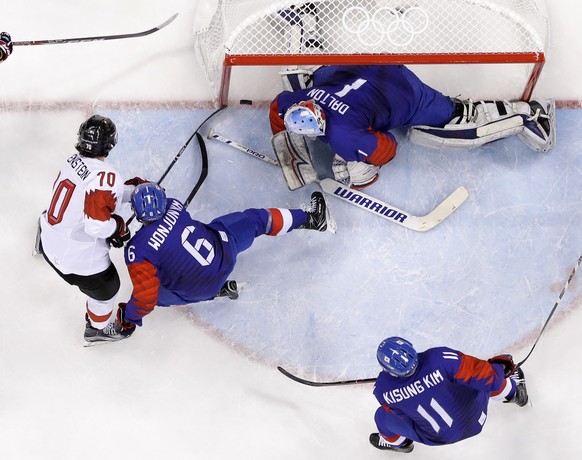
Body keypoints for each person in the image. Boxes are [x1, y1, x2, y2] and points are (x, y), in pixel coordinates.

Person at [269, 64, 555, 190]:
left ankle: (529, 115)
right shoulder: (299, 99)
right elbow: (276, 107)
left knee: (458, 119)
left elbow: (387, 150)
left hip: (405, 92)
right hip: (365, 67)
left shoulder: (341, 134)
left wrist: (357, 162)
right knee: (320, 74)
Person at [115, 182, 331, 332]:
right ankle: (312, 219)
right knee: (257, 220)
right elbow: (157, 190)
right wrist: (139, 185)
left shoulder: (138, 249)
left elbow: (145, 297)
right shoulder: (174, 205)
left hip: (202, 288)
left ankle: (218, 290)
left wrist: (129, 319)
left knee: (159, 292)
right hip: (222, 250)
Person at [38, 115, 146, 346]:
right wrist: (118, 227)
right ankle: (97, 330)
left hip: (48, 241)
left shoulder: (72, 161)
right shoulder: (107, 176)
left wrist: (130, 192)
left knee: (52, 215)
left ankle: (39, 244)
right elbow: (96, 225)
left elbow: (88, 195)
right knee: (109, 291)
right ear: (109, 144)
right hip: (75, 264)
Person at [369, 337, 528, 453]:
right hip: (477, 416)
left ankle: (400, 444)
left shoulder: (382, 389)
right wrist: (501, 365)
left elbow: (400, 414)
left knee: (381, 416)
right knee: (485, 377)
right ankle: (515, 393)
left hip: (436, 437)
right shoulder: (440, 358)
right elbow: (491, 379)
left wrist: (414, 392)